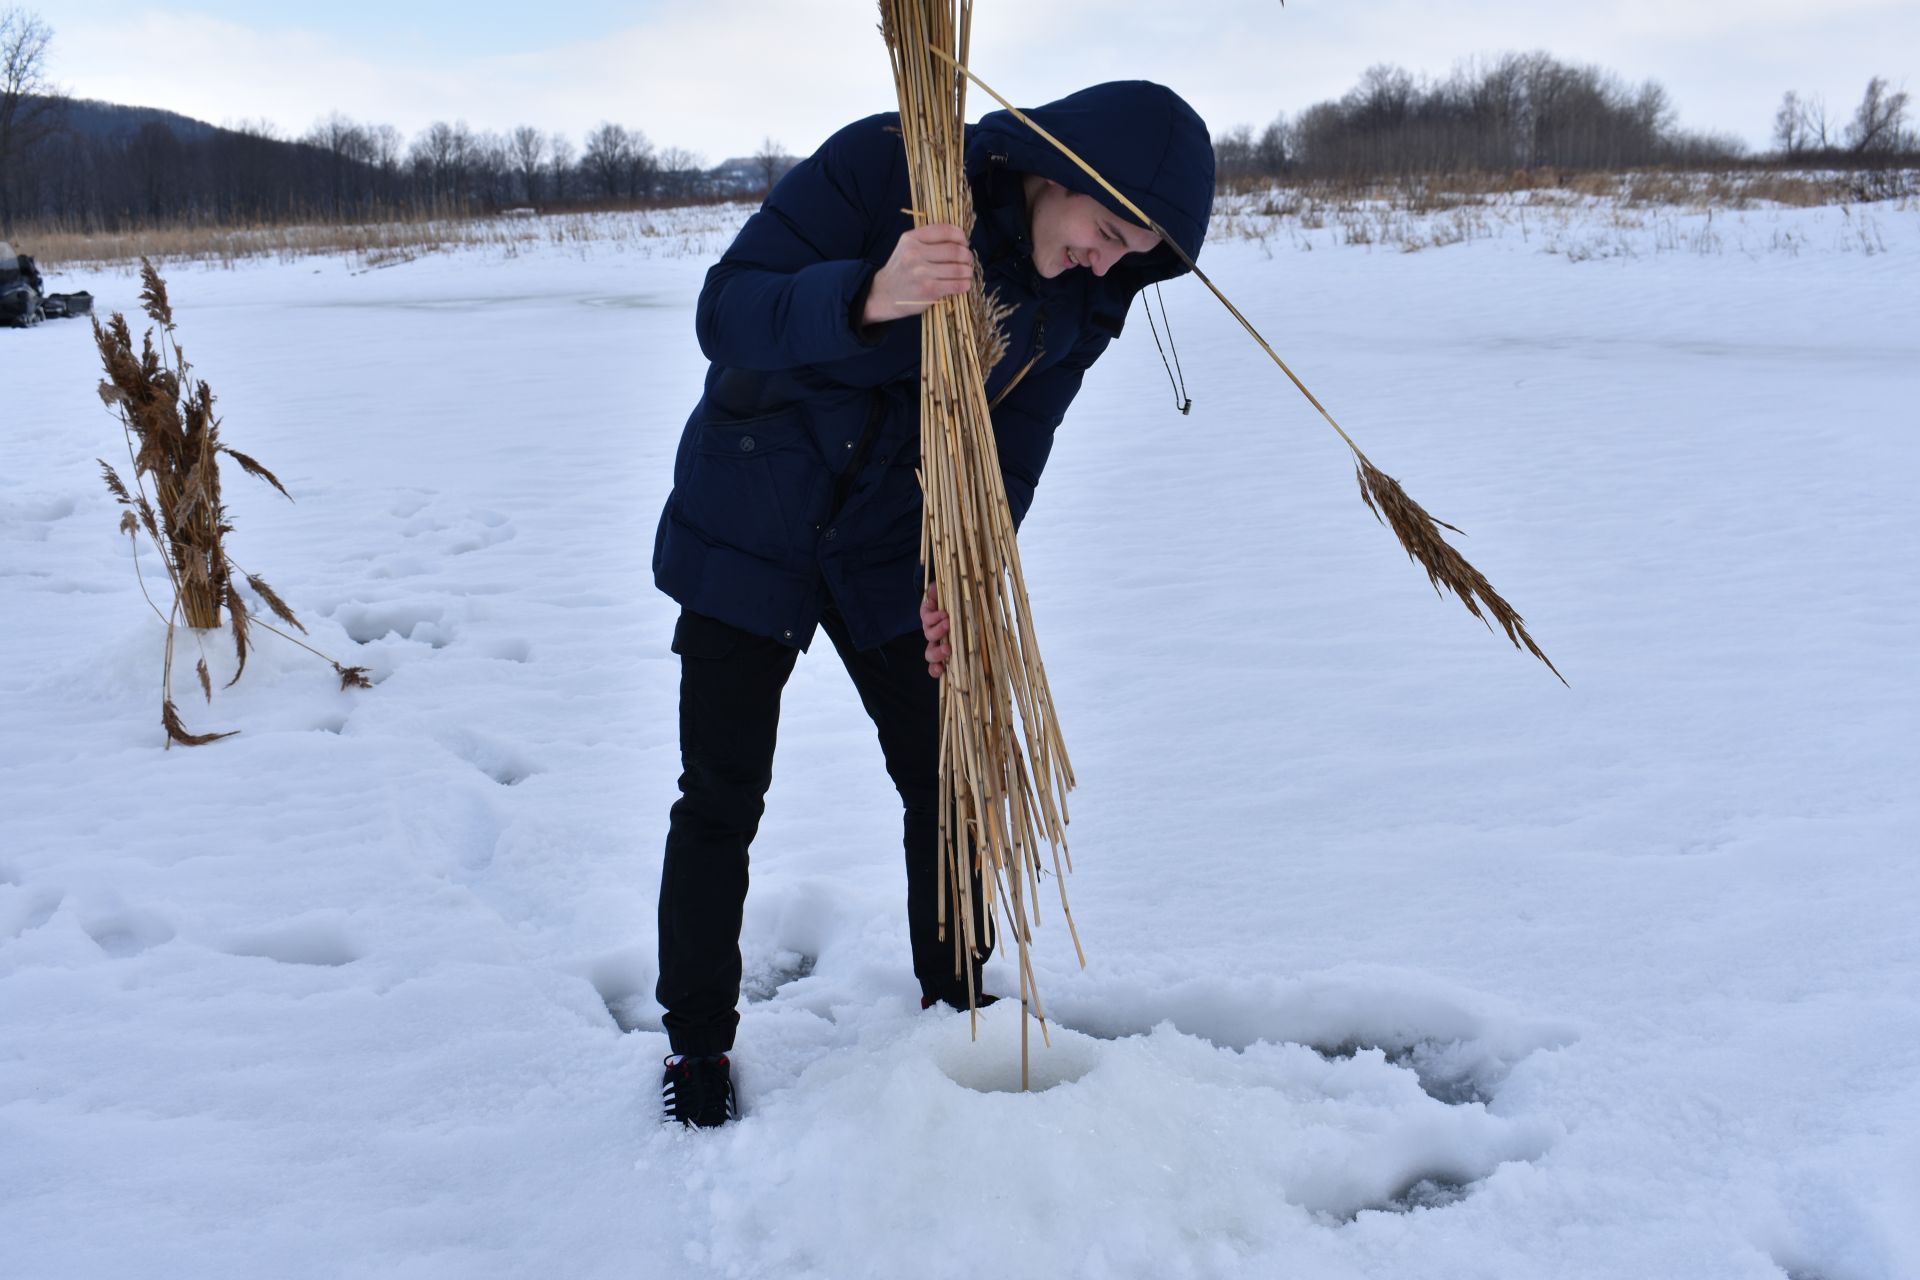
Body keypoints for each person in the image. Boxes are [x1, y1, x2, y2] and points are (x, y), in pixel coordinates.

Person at [651, 80, 1214, 1127]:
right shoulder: (891, 168)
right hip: (753, 508)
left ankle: (955, 1002)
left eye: (1132, 253)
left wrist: (963, 577)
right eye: (1104, 231)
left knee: (951, 779)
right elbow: (724, 311)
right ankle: (698, 1042)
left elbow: (1013, 452)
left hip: (888, 550)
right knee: (721, 792)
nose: (1107, 261)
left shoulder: (1077, 304)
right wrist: (869, 294)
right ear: (1061, 175)